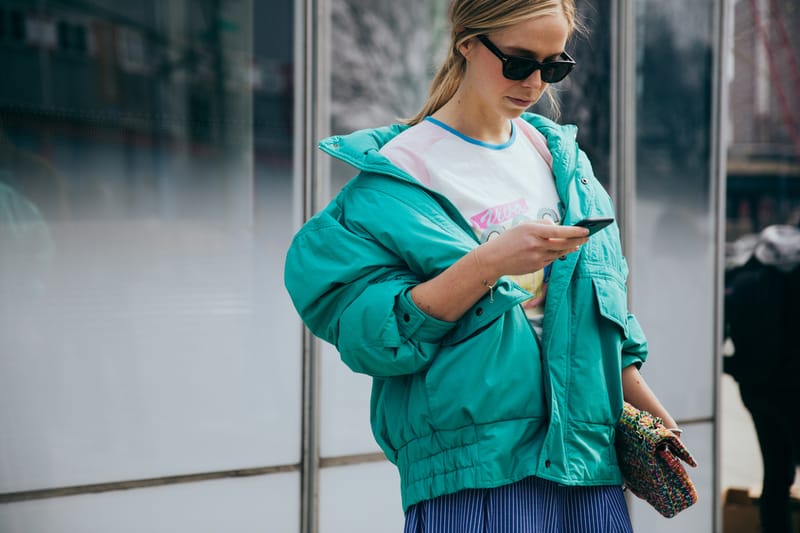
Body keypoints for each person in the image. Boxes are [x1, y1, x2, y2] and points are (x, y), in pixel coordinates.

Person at [284, 0, 680, 530]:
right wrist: (491, 261)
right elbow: (373, 336)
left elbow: (601, 310)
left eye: (554, 66)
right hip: (474, 470)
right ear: (468, 43)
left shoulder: (562, 162)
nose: (535, 82)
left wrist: (652, 413)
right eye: (518, 62)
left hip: (584, 463)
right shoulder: (400, 174)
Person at [724, 224, 800, 533]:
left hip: (758, 394)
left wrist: (734, 366)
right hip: (793, 395)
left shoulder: (744, 281)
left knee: (776, 474)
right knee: (779, 473)